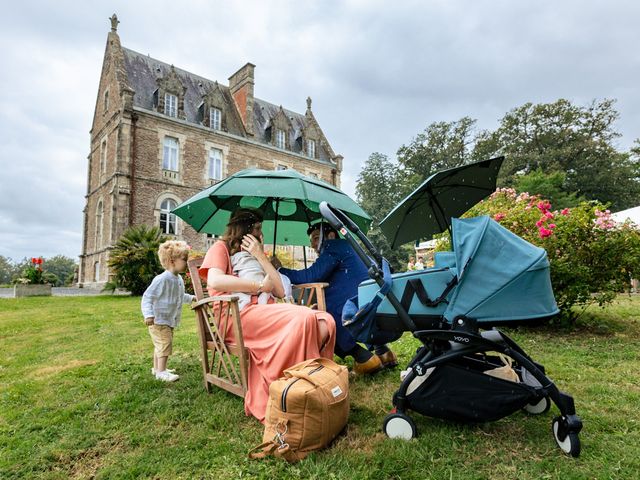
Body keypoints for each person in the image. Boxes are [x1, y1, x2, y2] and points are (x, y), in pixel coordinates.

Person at [198, 208, 336, 422]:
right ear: (245, 230)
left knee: (326, 321)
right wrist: (258, 286)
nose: (261, 233)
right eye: (257, 228)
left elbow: (280, 291)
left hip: (266, 312)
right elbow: (215, 281)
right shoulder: (220, 248)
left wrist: (261, 256)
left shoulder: (257, 255)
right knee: (305, 318)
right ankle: (290, 389)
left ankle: (298, 384)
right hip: (238, 315)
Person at [274, 223, 397, 375]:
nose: (312, 244)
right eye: (311, 239)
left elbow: (311, 276)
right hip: (372, 304)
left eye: (316, 238)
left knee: (324, 318)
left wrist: (279, 269)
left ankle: (364, 358)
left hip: (354, 307)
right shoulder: (349, 246)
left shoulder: (333, 247)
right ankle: (384, 353)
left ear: (331, 235)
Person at [141, 240, 195, 382]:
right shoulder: (162, 279)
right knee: (165, 343)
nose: (186, 262)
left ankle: (156, 368)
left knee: (160, 344)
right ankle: (161, 372)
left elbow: (180, 296)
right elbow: (148, 297)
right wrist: (148, 314)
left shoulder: (178, 279)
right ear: (172, 261)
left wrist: (191, 299)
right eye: (184, 259)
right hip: (158, 319)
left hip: (168, 319)